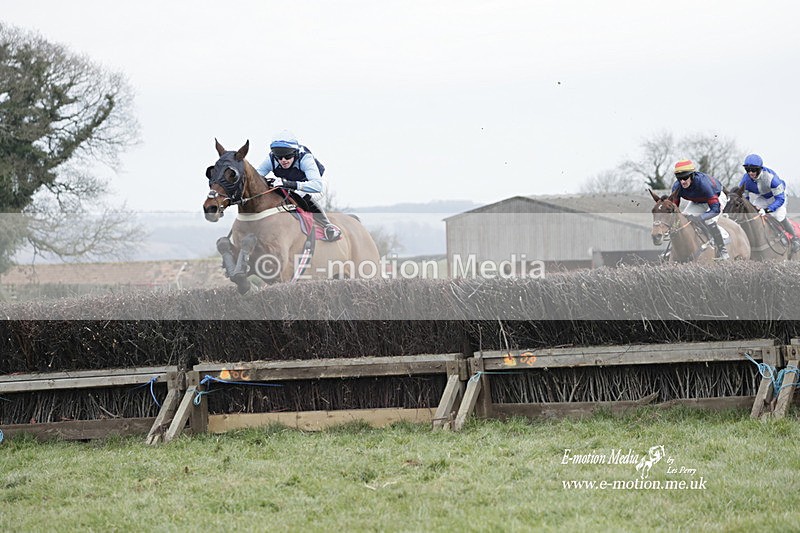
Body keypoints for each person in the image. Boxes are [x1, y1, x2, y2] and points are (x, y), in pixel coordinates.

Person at [256, 131, 341, 241]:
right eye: (279, 157)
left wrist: (288, 184)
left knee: (299, 193)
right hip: (292, 183)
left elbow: (317, 185)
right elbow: (256, 178)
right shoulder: (271, 160)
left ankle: (328, 226)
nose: (283, 160)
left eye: (287, 156)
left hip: (315, 184)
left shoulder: (305, 158)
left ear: (295, 153)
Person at [737, 153, 800, 253]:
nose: (750, 173)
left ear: (759, 169)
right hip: (763, 196)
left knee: (779, 215)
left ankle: (795, 239)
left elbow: (780, 199)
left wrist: (766, 210)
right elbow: (744, 198)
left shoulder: (771, 179)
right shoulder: (745, 180)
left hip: (779, 196)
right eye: (748, 170)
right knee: (753, 213)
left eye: (753, 169)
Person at [670, 159, 730, 260]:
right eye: (679, 178)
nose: (682, 181)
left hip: (716, 198)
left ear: (692, 175)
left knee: (708, 220)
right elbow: (674, 209)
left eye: (685, 177)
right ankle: (672, 250)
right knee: (684, 219)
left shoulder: (704, 184)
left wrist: (701, 217)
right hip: (697, 201)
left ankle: (722, 251)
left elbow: (715, 209)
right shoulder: (677, 187)